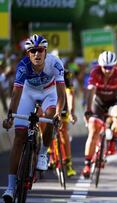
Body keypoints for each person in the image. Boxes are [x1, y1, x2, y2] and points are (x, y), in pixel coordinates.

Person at [2, 34, 66, 202]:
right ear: (28, 54)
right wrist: (10, 116)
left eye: (40, 50)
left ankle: (44, 153)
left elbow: (61, 94)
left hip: (49, 92)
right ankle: (10, 187)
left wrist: (59, 113)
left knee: (50, 116)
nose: (37, 54)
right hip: (28, 93)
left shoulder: (56, 63)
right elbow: (16, 95)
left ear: (45, 52)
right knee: (19, 138)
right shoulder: (23, 66)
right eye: (32, 51)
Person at [82, 51, 117, 178]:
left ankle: (113, 141)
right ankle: (87, 163)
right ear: (100, 66)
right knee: (93, 130)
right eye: (105, 67)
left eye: (110, 67)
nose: (107, 70)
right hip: (98, 103)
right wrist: (88, 109)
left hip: (113, 102)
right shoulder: (95, 72)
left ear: (114, 66)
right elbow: (90, 92)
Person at [56, 68, 78, 177]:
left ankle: (68, 163)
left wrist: (72, 112)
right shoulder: (40, 71)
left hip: (61, 100)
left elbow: (70, 94)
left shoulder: (65, 74)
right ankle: (49, 151)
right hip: (46, 99)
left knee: (63, 131)